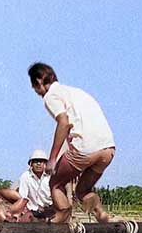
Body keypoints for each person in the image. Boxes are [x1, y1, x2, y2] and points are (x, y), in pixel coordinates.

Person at [28, 62, 115, 223]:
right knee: (82, 190)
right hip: (108, 148)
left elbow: (64, 123)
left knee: (55, 183)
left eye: (35, 87)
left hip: (86, 148)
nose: (36, 92)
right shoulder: (76, 92)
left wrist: (53, 159)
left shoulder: (51, 96)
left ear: (39, 81)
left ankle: (63, 215)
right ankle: (102, 215)